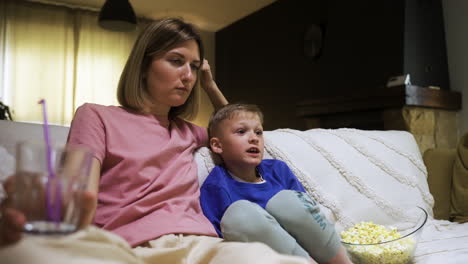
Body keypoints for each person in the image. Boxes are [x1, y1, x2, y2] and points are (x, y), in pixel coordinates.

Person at [0, 18, 310, 264]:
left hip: (199, 245)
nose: (188, 76)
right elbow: (77, 193)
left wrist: (210, 85)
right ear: (145, 65)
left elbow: (234, 127)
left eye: (193, 66)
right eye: (176, 61)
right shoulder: (96, 116)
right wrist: (40, 208)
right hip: (122, 247)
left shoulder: (190, 132)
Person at [200, 103, 352, 264]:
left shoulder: (278, 170)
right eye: (241, 132)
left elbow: (309, 214)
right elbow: (217, 240)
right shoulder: (216, 187)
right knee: (239, 214)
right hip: (276, 257)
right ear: (217, 145)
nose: (253, 138)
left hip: (318, 249)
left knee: (286, 201)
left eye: (258, 132)